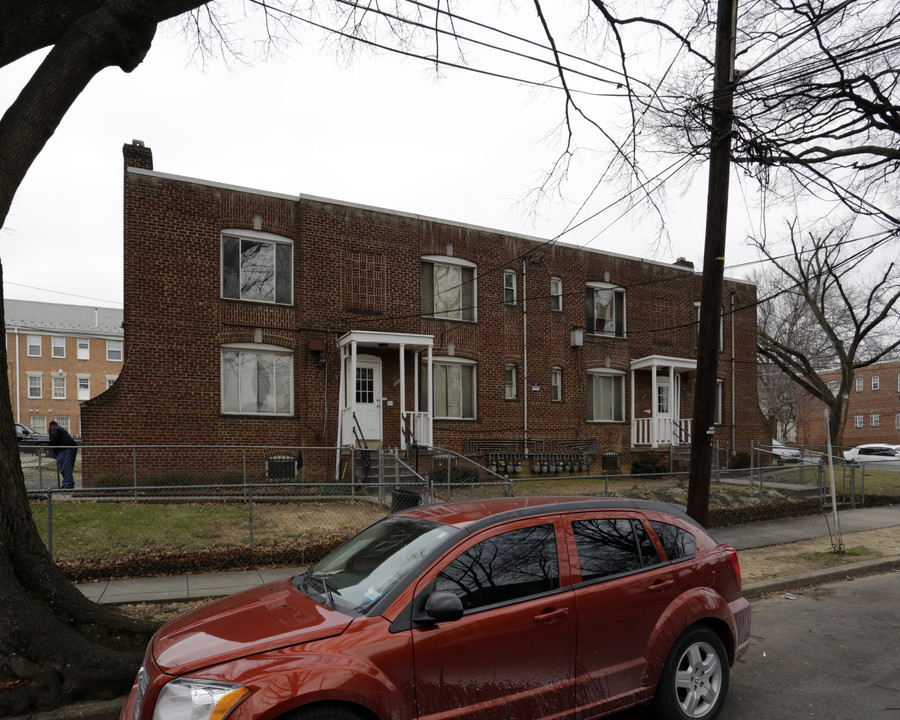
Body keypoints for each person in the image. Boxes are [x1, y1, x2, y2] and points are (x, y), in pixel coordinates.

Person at [48, 421, 78, 489]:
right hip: (70, 448)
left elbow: (54, 439)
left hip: (65, 449)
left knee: (65, 467)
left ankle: (68, 485)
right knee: (67, 467)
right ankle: (67, 483)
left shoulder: (53, 428)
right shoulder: (59, 428)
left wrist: (48, 445)